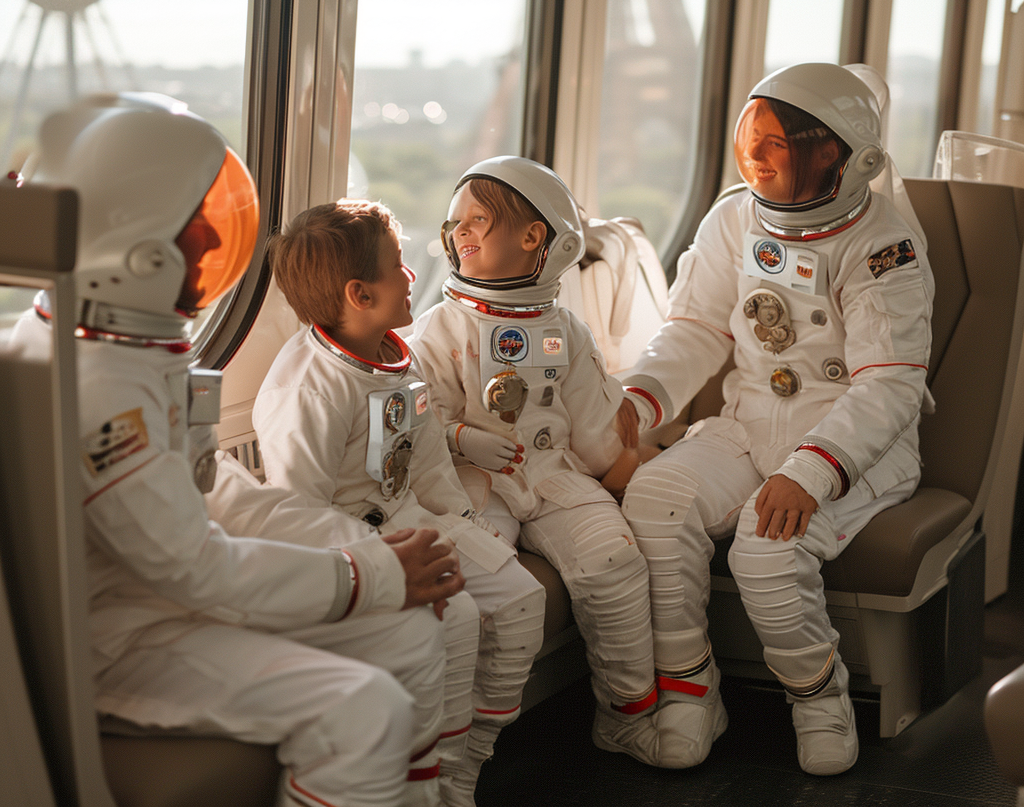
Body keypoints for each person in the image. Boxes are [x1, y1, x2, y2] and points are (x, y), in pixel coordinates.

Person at [9, 93, 465, 807]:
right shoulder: (100, 386)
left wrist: (374, 555)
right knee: (362, 708)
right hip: (119, 641)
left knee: (408, 638)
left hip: (157, 603)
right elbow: (192, 565)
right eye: (202, 230)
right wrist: (368, 575)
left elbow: (213, 487)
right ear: (143, 249)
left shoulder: (119, 352)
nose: (219, 246)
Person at [617, 63, 934, 774]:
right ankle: (692, 692)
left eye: (775, 145)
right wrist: (639, 400)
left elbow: (889, 385)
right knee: (656, 499)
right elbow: (696, 326)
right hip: (752, 417)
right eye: (748, 142)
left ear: (837, 155)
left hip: (856, 440)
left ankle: (820, 701)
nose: (754, 158)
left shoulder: (882, 246)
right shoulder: (735, 216)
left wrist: (814, 471)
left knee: (766, 547)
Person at [251, 199, 546, 807]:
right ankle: (434, 783)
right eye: (398, 266)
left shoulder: (394, 358)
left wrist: (467, 527)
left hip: (410, 516)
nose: (413, 276)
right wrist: (374, 568)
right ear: (360, 294)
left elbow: (430, 465)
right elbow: (296, 509)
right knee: (458, 617)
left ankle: (465, 769)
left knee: (521, 601)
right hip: (348, 539)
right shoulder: (310, 387)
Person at [409, 156, 692, 769]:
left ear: (535, 238)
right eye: (454, 222)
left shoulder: (566, 330)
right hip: (475, 482)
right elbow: (416, 415)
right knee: (484, 577)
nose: (460, 233)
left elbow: (595, 427)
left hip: (553, 473)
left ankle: (626, 715)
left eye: (477, 220)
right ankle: (466, 752)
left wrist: (627, 467)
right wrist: (460, 437)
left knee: (615, 562)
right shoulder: (437, 327)